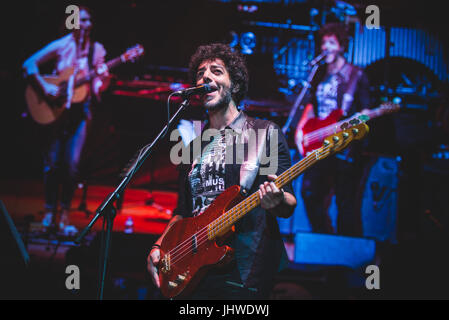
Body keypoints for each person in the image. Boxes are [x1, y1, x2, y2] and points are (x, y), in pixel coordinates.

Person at [147, 43, 297, 299]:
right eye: (200, 73)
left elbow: (288, 202)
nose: (205, 77)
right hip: (194, 268)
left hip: (242, 267)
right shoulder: (194, 145)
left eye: (216, 71)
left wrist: (276, 199)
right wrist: (159, 245)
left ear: (234, 85)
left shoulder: (263, 133)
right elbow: (182, 212)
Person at [22, 7, 110, 230]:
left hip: (80, 113)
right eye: (83, 20)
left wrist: (100, 82)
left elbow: (99, 85)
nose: (87, 24)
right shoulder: (62, 45)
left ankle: (64, 215)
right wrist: (45, 88)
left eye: (90, 20)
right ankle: (49, 212)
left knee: (71, 164)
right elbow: (29, 64)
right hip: (56, 110)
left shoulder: (96, 50)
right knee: (52, 164)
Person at [294, 22, 370, 236]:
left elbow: (366, 112)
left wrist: (357, 121)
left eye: (331, 43)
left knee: (345, 200)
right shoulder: (319, 74)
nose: (325, 47)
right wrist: (301, 128)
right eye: (323, 43)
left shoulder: (355, 76)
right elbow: (311, 105)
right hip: (320, 144)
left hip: (345, 146)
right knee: (309, 192)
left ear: (342, 47)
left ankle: (345, 253)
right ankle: (323, 240)